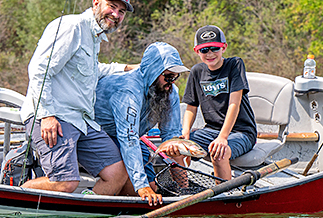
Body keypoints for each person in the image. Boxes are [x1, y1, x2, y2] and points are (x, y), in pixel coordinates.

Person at [19, 0, 134, 194]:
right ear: (96, 3)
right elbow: (39, 69)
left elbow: (91, 71)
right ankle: (14, 199)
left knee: (117, 173)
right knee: (64, 183)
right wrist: (47, 115)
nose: (116, 14)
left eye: (122, 11)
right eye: (112, 6)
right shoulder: (72, 26)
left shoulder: (95, 36)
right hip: (53, 116)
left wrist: (127, 68)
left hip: (82, 120)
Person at [95, 42, 189, 206]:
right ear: (153, 73)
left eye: (175, 76)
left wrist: (184, 191)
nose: (172, 82)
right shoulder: (128, 91)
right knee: (139, 189)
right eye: (168, 76)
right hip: (99, 132)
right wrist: (142, 186)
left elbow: (171, 135)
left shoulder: (170, 91)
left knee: (153, 188)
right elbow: (128, 138)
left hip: (127, 137)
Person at [180, 25, 257, 181]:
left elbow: (234, 104)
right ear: (197, 51)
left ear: (224, 48)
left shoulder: (235, 65)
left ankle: (224, 196)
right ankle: (181, 190)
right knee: (176, 148)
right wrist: (186, 132)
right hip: (211, 131)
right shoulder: (196, 71)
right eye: (204, 50)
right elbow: (191, 107)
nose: (210, 54)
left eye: (215, 48)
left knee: (219, 153)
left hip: (241, 132)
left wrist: (223, 137)